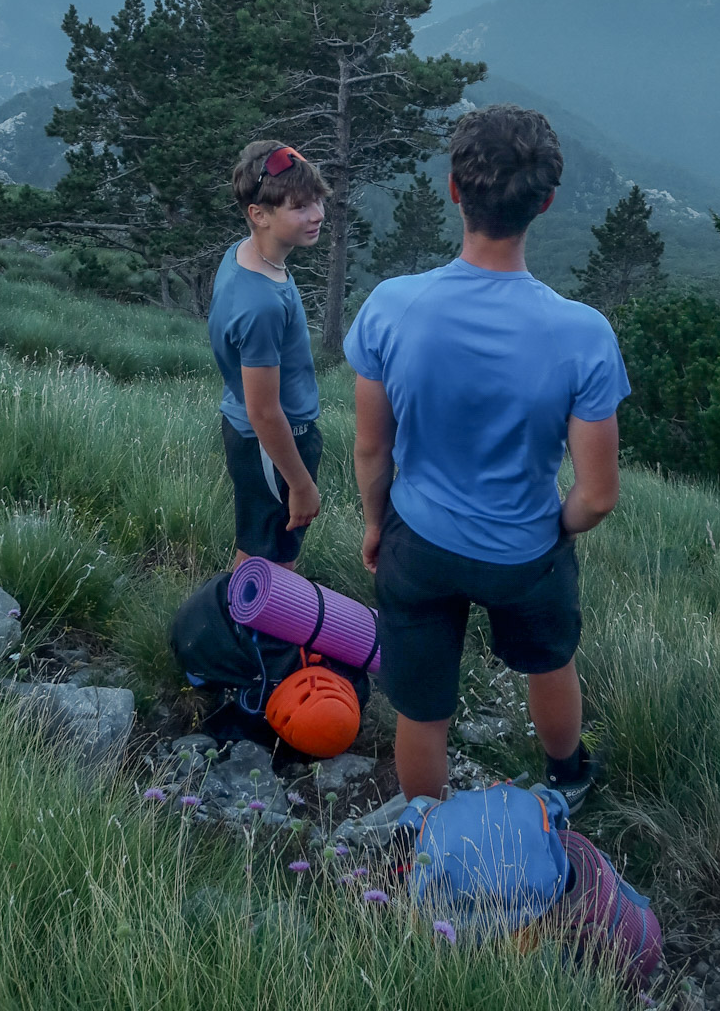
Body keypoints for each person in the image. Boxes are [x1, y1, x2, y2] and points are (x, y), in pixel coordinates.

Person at [343, 104, 629, 808]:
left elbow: (373, 446)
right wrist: (551, 530)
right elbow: (597, 495)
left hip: (420, 539)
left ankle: (428, 830)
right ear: (547, 202)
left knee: (423, 709)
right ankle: (568, 775)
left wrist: (378, 527)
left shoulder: (391, 307)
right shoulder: (582, 334)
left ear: (453, 189)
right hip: (526, 550)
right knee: (550, 662)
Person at [209, 140, 330, 567]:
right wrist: (300, 484)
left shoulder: (245, 256)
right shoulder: (259, 305)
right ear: (258, 214)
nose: (316, 214)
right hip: (272, 443)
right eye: (299, 206)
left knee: (264, 546)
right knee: (270, 560)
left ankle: (250, 626)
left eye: (317, 199)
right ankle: (246, 631)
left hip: (259, 437)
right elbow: (263, 411)